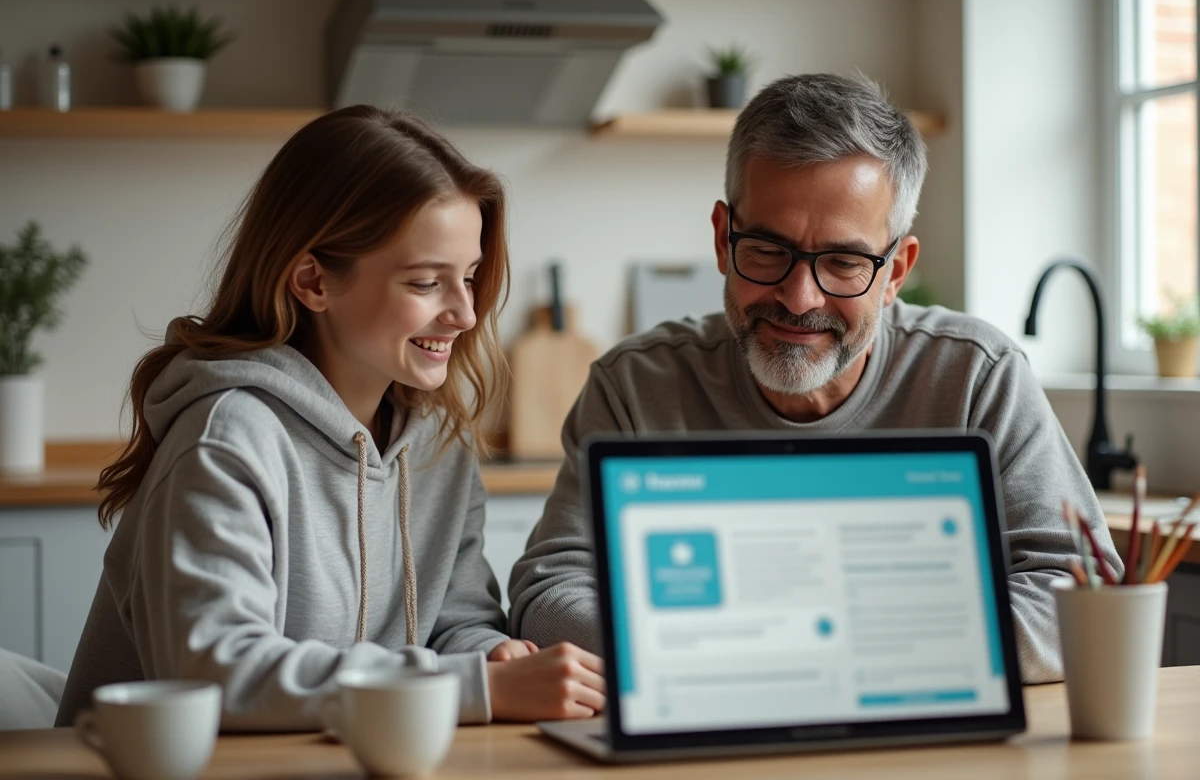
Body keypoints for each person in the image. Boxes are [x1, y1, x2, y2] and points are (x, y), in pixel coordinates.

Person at [508, 73, 1121, 684]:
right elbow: (548, 592)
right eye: (768, 251)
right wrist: (740, 652)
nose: (800, 299)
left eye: (844, 262)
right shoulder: (635, 386)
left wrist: (850, 651)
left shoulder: (976, 376)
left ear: (896, 270)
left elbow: (1082, 589)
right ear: (723, 240)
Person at [57, 106, 605, 730]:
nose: (465, 314)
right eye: (427, 283)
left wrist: (490, 655)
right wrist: (469, 687)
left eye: (471, 278)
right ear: (314, 281)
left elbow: (456, 620)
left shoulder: (439, 446)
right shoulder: (227, 437)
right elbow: (213, 671)